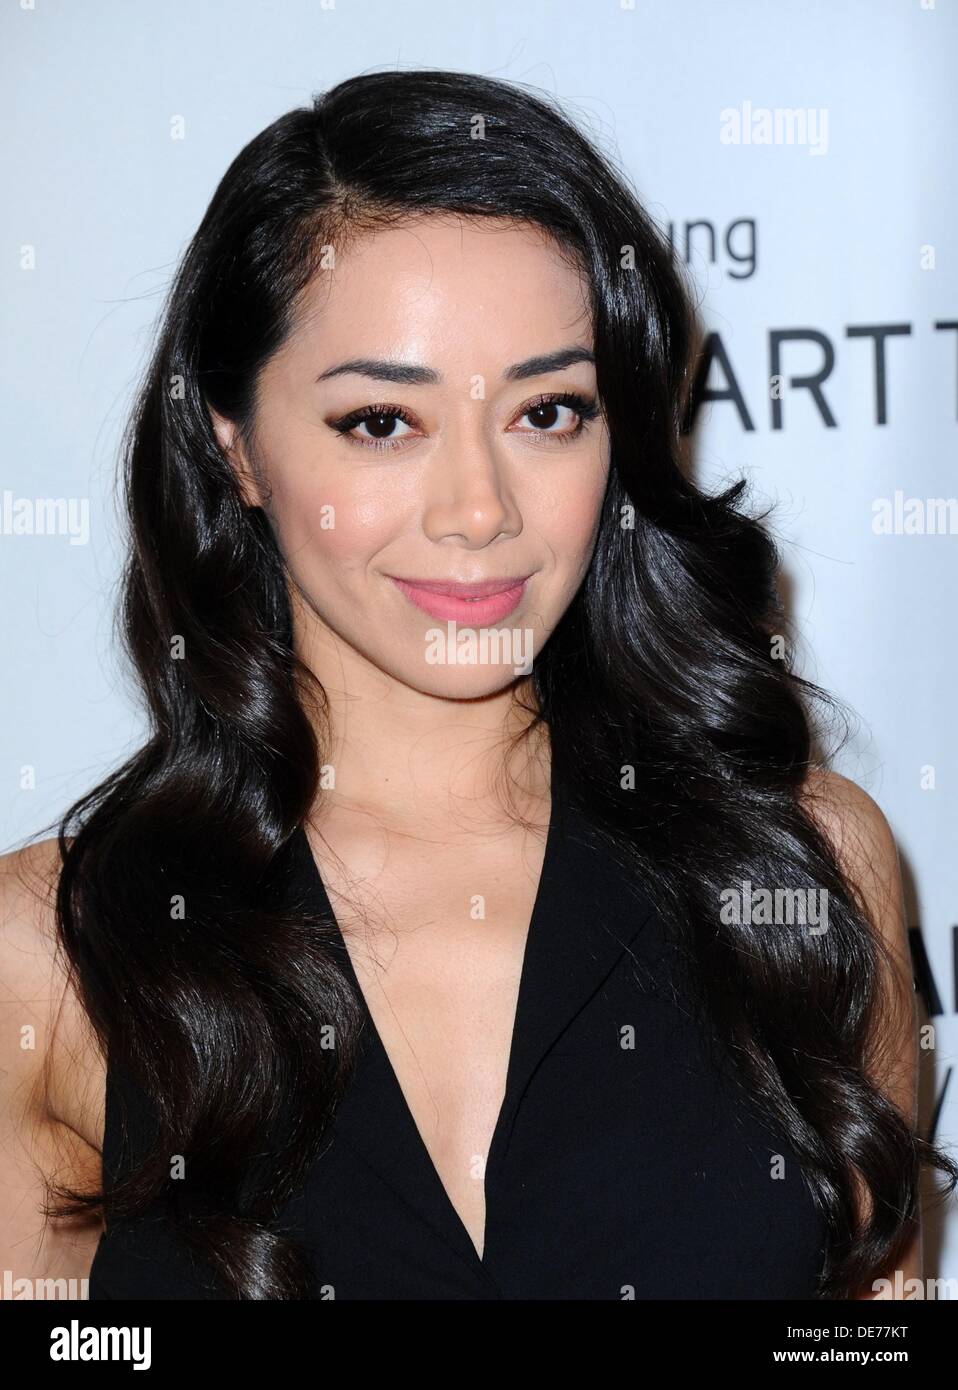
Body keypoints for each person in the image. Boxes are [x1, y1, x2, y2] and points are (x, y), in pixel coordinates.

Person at [1, 68, 954, 1301]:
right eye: (381, 423)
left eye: (547, 410)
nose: (480, 513)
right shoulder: (57, 955)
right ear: (234, 445)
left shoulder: (800, 867)